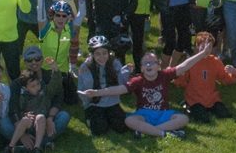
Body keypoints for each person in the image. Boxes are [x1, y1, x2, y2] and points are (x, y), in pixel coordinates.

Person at [81, 47, 209, 139]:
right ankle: (164, 133)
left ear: (159, 66)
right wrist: (97, 92)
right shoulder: (137, 80)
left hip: (163, 114)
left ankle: (149, 131)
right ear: (141, 68)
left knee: (183, 118)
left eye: (152, 62)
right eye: (145, 63)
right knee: (129, 121)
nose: (149, 65)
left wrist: (202, 53)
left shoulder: (164, 75)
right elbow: (118, 89)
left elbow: (184, 66)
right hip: (144, 115)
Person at [174, 31, 236, 124]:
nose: (206, 50)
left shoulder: (215, 61)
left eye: (209, 47)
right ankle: (187, 105)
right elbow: (181, 82)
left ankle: (210, 108)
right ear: (197, 46)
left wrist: (234, 73)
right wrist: (180, 76)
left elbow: (225, 79)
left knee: (225, 115)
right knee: (203, 119)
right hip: (194, 99)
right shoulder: (190, 62)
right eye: (203, 46)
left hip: (212, 98)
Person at [77, 36, 132, 136]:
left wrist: (125, 73)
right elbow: (82, 89)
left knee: (122, 127)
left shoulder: (114, 63)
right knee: (99, 130)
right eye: (97, 54)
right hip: (95, 103)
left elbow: (121, 85)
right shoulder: (85, 67)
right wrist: (86, 98)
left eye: (104, 53)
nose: (102, 57)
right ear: (92, 54)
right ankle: (93, 117)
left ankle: (110, 116)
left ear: (108, 52)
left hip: (112, 101)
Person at [6, 58, 60, 153]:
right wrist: (24, 115)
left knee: (43, 117)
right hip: (28, 127)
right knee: (24, 120)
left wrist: (55, 70)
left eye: (38, 84)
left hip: (42, 125)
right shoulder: (23, 97)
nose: (37, 87)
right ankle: (10, 147)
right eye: (33, 86)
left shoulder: (45, 92)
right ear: (26, 88)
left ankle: (37, 147)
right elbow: (17, 110)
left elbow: (54, 84)